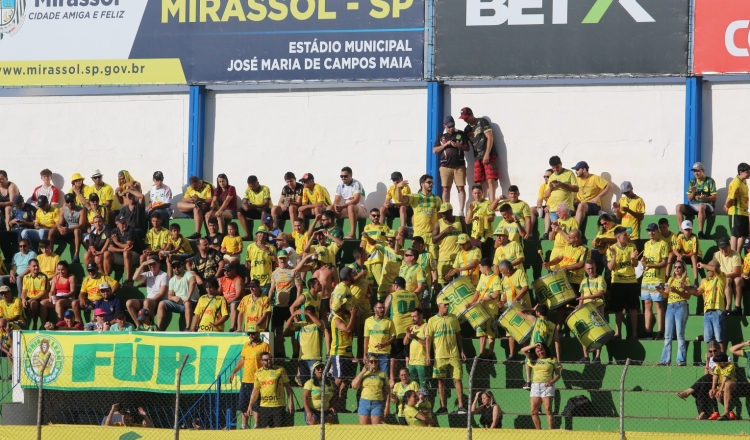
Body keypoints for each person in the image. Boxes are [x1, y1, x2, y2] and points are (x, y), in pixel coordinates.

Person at [425, 296, 467, 414]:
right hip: (439, 356)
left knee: (457, 379)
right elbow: (428, 339)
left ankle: (461, 406)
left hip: (454, 354)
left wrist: (462, 350)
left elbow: (459, 335)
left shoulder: (453, 318)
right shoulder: (432, 320)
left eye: (448, 304)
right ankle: (443, 407)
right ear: (439, 306)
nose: (447, 306)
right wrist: (428, 355)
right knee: (441, 381)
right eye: (445, 305)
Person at [229, 330, 271, 429]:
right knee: (243, 404)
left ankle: (256, 425)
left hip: (258, 380)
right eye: (249, 334)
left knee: (256, 405)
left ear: (258, 334)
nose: (251, 335)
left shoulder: (264, 345)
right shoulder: (246, 345)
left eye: (253, 333)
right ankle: (244, 426)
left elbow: (268, 361)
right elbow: (242, 360)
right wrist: (233, 371)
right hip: (245, 380)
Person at [677, 341, 728, 419]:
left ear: (719, 349)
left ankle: (688, 391)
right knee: (700, 390)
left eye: (715, 350)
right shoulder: (711, 359)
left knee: (700, 386)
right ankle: (702, 413)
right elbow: (705, 374)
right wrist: (707, 362)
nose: (713, 353)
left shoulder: (725, 357)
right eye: (710, 351)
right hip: (710, 380)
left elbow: (723, 372)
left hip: (721, 380)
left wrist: (712, 372)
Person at [395, 175, 442, 260]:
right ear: (422, 184)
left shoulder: (437, 199)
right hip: (419, 234)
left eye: (432, 182)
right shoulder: (415, 197)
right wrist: (398, 187)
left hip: (432, 234)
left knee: (433, 260)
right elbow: (400, 199)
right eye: (429, 182)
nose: (431, 184)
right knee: (417, 259)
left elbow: (441, 215)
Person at [657, 260, 692, 366]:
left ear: (683, 269)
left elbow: (688, 296)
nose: (676, 269)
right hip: (670, 306)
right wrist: (660, 291)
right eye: (675, 267)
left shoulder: (686, 280)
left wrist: (676, 291)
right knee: (668, 335)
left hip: (680, 305)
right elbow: (665, 295)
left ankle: (681, 360)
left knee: (680, 334)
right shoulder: (671, 279)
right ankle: (665, 360)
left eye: (679, 267)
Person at [607, 226, 640, 339]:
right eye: (625, 235)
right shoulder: (611, 249)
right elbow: (610, 267)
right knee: (618, 309)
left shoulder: (632, 246)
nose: (627, 237)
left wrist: (633, 258)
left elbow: (635, 265)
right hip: (617, 282)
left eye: (627, 234)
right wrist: (614, 256)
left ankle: (634, 333)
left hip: (631, 281)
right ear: (618, 237)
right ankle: (618, 332)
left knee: (633, 308)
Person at [686, 261, 726, 352]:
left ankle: (722, 357)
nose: (707, 271)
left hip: (717, 310)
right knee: (708, 338)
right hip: (707, 311)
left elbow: (715, 269)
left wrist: (703, 265)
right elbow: (697, 292)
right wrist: (686, 288)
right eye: (707, 270)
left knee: (720, 337)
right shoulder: (706, 281)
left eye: (708, 269)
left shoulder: (721, 277)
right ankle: (710, 359)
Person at [460, 107, 498, 202]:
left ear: (471, 115)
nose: (465, 120)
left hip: (489, 155)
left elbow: (490, 137)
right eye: (463, 118)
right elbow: (471, 145)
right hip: (477, 157)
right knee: (479, 182)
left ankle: (492, 204)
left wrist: (487, 154)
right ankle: (482, 204)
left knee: (490, 180)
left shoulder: (482, 122)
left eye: (466, 118)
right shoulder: (467, 129)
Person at [247, 352, 294, 428]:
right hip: (264, 406)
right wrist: (250, 406)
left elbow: (288, 388)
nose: (269, 361)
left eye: (270, 359)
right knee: (264, 431)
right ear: (261, 361)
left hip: (278, 406)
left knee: (278, 430)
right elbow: (255, 390)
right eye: (266, 360)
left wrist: (291, 403)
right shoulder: (258, 373)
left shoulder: (280, 370)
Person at [467, 258, 501, 358]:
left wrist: (483, 299)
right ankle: (482, 354)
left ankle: (490, 354)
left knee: (491, 333)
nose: (479, 269)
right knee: (481, 332)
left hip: (491, 309)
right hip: (481, 309)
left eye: (480, 267)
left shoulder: (496, 278)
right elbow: (477, 292)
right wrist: (472, 303)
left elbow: (495, 294)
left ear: (486, 267)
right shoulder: (482, 276)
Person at [268, 250, 301, 356]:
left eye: (284, 258)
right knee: (278, 331)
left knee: (293, 331)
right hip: (278, 306)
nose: (282, 260)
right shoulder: (274, 273)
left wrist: (297, 303)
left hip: (290, 306)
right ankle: (281, 354)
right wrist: (268, 300)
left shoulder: (294, 271)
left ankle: (295, 354)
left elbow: (299, 288)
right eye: (280, 258)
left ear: (287, 258)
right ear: (277, 260)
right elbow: (272, 289)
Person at [497, 259, 531, 360]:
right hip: (510, 309)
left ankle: (526, 353)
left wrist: (516, 299)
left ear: (507, 270)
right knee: (511, 331)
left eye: (501, 271)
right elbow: (504, 294)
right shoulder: (504, 279)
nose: (500, 272)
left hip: (522, 307)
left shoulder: (520, 273)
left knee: (525, 330)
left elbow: (525, 288)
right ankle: (512, 355)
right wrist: (502, 302)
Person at [523, 343, 562, 430]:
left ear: (545, 350)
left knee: (548, 410)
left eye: (542, 350)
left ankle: (550, 431)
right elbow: (523, 350)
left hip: (547, 386)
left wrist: (551, 381)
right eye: (538, 351)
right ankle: (539, 431)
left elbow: (558, 375)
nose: (540, 352)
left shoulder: (552, 359)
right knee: (534, 411)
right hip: (535, 386)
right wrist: (535, 345)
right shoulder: (533, 359)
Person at [641, 223, 670, 339]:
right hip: (646, 278)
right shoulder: (646, 244)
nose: (651, 233)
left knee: (658, 305)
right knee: (647, 304)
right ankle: (647, 331)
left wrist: (651, 265)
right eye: (649, 231)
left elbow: (665, 262)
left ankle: (660, 331)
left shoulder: (663, 244)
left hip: (657, 279)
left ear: (657, 232)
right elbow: (645, 263)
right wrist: (643, 261)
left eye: (653, 231)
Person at [434, 116, 469, 208]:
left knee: (461, 188)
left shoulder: (460, 133)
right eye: (449, 126)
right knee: (446, 189)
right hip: (445, 166)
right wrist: (446, 145)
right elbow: (435, 150)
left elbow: (467, 148)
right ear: (444, 125)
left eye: (452, 126)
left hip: (459, 166)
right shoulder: (441, 135)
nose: (451, 128)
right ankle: (446, 208)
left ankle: (461, 210)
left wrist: (459, 146)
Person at [674, 162, 716, 239]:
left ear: (703, 171)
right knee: (678, 207)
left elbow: (714, 197)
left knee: (701, 206)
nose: (696, 173)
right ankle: (681, 230)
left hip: (707, 205)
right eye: (694, 171)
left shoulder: (710, 181)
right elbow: (689, 199)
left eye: (698, 171)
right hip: (694, 205)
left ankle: (700, 232)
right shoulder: (692, 182)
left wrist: (704, 198)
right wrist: (693, 192)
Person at [330, 301, 357, 413]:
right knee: (339, 378)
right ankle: (331, 403)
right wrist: (353, 315)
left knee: (346, 381)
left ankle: (341, 405)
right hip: (339, 353)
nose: (346, 306)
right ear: (340, 308)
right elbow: (348, 329)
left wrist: (352, 315)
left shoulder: (345, 316)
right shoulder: (336, 319)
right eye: (344, 305)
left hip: (348, 353)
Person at [577, 260, 606, 363]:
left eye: (592, 268)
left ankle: (597, 357)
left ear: (596, 267)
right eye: (588, 268)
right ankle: (586, 357)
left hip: (597, 307)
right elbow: (582, 296)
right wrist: (579, 306)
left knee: (598, 333)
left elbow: (600, 293)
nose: (591, 270)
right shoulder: (584, 281)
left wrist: (589, 297)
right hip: (585, 309)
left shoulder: (600, 278)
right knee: (584, 333)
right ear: (585, 269)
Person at [286, 307, 324, 385]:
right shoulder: (301, 324)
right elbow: (287, 326)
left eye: (309, 314)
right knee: (305, 383)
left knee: (315, 382)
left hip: (315, 358)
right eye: (305, 314)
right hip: (302, 359)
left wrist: (307, 313)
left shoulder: (317, 324)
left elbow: (320, 325)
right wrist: (293, 315)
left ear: (314, 314)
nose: (307, 316)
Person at [157, 258, 197, 331]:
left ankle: (187, 328)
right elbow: (169, 295)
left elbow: (193, 282)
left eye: (178, 266)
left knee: (187, 303)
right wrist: (173, 298)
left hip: (192, 302)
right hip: (179, 304)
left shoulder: (187, 273)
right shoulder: (172, 280)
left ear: (182, 266)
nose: (176, 268)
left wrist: (188, 298)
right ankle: (159, 328)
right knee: (162, 303)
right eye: (174, 267)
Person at [362, 229, 403, 301]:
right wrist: (367, 237)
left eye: (391, 240)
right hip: (383, 283)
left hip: (394, 284)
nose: (389, 242)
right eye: (388, 240)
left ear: (397, 240)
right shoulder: (385, 246)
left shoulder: (403, 252)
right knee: (381, 304)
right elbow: (373, 242)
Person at [126, 257, 168, 323]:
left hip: (159, 301)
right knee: (129, 303)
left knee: (147, 302)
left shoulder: (164, 275)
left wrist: (149, 300)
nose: (152, 266)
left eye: (154, 264)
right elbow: (135, 278)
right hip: (148, 300)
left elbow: (162, 294)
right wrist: (143, 264)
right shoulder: (148, 274)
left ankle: (150, 326)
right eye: (150, 265)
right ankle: (139, 326)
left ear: (159, 264)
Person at [571, 161, 612, 228]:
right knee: (565, 206)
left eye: (577, 169)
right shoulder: (576, 179)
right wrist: (574, 199)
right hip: (580, 204)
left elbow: (609, 186)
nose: (576, 172)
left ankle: (576, 230)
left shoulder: (594, 178)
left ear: (584, 170)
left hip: (593, 205)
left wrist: (598, 197)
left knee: (581, 205)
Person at [352, 353, 390, 425]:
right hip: (364, 402)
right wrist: (363, 371)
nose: (373, 363)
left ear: (378, 362)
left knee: (375, 428)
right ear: (368, 363)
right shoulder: (364, 374)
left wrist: (387, 407)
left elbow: (387, 392)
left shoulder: (383, 374)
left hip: (377, 403)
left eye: (375, 361)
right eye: (371, 361)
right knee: (364, 428)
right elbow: (354, 386)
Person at [363, 300, 396, 380]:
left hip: (384, 353)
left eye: (383, 308)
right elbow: (366, 338)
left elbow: (393, 337)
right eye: (380, 308)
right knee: (370, 375)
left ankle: (384, 392)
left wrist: (384, 344)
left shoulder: (389, 321)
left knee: (383, 376)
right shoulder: (368, 321)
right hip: (371, 352)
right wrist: (365, 354)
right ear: (374, 309)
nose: (382, 310)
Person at [329, 166, 366, 239]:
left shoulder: (356, 184)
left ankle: (353, 234)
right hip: (348, 209)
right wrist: (336, 206)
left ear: (351, 175)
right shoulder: (340, 185)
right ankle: (330, 232)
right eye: (341, 176)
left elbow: (356, 200)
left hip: (360, 209)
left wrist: (342, 207)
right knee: (329, 208)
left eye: (345, 176)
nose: (343, 178)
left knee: (351, 206)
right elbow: (336, 200)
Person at [433, 202, 464, 283]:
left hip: (458, 258)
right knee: (443, 284)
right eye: (441, 213)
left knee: (459, 283)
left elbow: (466, 235)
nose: (443, 215)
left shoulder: (460, 220)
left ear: (451, 211)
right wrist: (444, 232)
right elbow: (434, 240)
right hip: (444, 258)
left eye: (445, 212)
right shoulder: (438, 223)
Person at [544, 156, 578, 229]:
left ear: (561, 164)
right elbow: (546, 195)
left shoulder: (569, 173)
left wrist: (562, 184)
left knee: (564, 229)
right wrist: (550, 188)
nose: (555, 169)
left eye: (557, 167)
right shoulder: (551, 177)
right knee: (557, 230)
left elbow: (576, 188)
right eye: (553, 168)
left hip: (565, 209)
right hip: (553, 210)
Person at [714, 237, 744, 316]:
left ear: (730, 246)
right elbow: (713, 268)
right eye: (721, 248)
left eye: (725, 248)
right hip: (721, 277)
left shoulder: (735, 254)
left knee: (732, 280)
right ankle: (711, 307)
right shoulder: (716, 255)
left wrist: (723, 275)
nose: (723, 251)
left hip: (731, 277)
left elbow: (735, 272)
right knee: (706, 281)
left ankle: (731, 307)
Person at [725, 162, 750, 252]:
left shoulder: (744, 181)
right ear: (740, 172)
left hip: (744, 212)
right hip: (736, 212)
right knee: (735, 234)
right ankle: (733, 254)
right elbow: (729, 198)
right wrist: (726, 205)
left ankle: (737, 253)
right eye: (747, 172)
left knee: (743, 234)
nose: (749, 174)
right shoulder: (736, 183)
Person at [107, 215, 138, 286]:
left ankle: (128, 280)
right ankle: (107, 279)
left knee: (126, 252)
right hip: (122, 255)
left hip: (135, 255)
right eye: (122, 223)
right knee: (107, 253)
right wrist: (122, 250)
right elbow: (111, 247)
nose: (125, 224)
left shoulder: (131, 230)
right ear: (117, 224)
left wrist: (117, 242)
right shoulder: (114, 231)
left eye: (125, 222)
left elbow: (128, 246)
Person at [303, 361, 337, 425]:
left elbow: (334, 395)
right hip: (313, 410)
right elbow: (305, 398)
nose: (320, 369)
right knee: (313, 423)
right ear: (314, 371)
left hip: (326, 410)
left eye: (322, 367)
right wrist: (308, 412)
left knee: (329, 423)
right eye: (318, 368)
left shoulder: (330, 383)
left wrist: (332, 405)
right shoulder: (310, 383)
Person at [238, 175, 272, 240]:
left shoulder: (265, 188)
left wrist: (254, 206)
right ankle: (247, 234)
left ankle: (262, 233)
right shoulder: (248, 189)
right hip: (254, 210)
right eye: (250, 186)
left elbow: (266, 204)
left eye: (253, 186)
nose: (251, 188)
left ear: (257, 183)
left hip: (266, 211)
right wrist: (245, 206)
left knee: (264, 209)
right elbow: (244, 202)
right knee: (240, 211)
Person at [57, 193, 87, 263]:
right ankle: (50, 253)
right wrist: (60, 229)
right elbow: (60, 223)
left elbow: (81, 225)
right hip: (67, 231)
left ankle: (76, 255)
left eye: (71, 201)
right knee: (52, 231)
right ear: (65, 203)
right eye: (67, 202)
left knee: (76, 231)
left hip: (77, 231)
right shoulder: (63, 210)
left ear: (75, 201)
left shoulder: (81, 210)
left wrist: (69, 229)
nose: (70, 203)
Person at [245, 227, 276, 294]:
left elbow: (275, 261)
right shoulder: (250, 247)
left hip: (267, 280)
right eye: (260, 233)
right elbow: (248, 263)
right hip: (254, 280)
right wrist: (247, 278)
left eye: (264, 233)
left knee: (263, 300)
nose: (262, 235)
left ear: (267, 236)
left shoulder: (271, 247)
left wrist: (267, 251)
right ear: (257, 234)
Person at [466, 185, 495, 257]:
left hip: (486, 236)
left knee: (485, 259)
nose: (477, 195)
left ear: (482, 193)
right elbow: (467, 221)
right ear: (472, 193)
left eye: (479, 193)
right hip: (475, 236)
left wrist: (479, 218)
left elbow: (492, 218)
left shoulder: (488, 203)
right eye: (475, 193)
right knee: (474, 258)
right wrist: (471, 210)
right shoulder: (472, 205)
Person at [404, 308, 430, 387]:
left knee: (423, 386)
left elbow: (427, 344)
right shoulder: (412, 327)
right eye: (412, 316)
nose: (413, 318)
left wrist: (415, 337)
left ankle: (425, 399)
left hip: (422, 362)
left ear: (421, 316)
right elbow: (405, 343)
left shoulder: (426, 326)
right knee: (414, 386)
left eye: (415, 316)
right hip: (412, 363)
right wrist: (407, 335)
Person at [547, 203, 578, 268]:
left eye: (558, 211)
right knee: (552, 268)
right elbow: (550, 239)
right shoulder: (558, 221)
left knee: (562, 270)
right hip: (556, 249)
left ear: (564, 212)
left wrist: (560, 231)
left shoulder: (573, 222)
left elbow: (573, 240)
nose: (556, 213)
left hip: (566, 249)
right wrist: (553, 230)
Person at [709, 352, 738, 420]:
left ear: (723, 362)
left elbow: (725, 378)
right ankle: (729, 412)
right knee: (714, 394)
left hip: (732, 384)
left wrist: (720, 390)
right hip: (721, 386)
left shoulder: (731, 365)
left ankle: (726, 411)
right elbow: (715, 376)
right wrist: (713, 388)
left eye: (718, 362)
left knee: (727, 384)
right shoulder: (718, 366)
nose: (717, 364)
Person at [21, 259, 48, 330]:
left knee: (33, 303)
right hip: (29, 297)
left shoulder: (43, 277)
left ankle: (35, 324)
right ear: (29, 267)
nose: (36, 267)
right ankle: (21, 326)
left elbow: (43, 293)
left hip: (39, 298)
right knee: (18, 303)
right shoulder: (25, 277)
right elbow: (24, 292)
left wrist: (31, 300)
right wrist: (23, 299)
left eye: (37, 265)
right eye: (34, 266)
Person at [535, 170, 553, 239]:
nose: (545, 178)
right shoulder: (543, 186)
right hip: (546, 206)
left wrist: (549, 207)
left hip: (553, 206)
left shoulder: (556, 186)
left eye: (548, 177)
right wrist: (539, 206)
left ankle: (546, 233)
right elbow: (540, 199)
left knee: (547, 211)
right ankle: (529, 234)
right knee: (531, 210)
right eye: (544, 176)